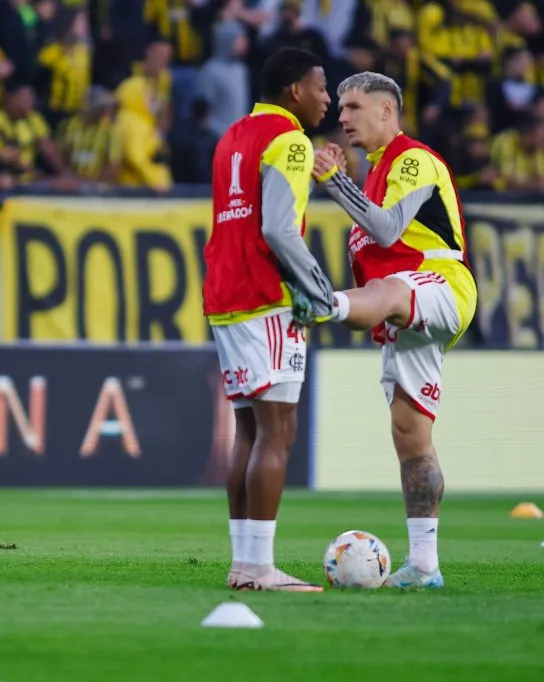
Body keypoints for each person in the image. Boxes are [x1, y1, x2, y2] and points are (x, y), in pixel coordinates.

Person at [307, 71, 477, 590]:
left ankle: (320, 304)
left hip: (442, 281)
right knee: (411, 436)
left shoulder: (413, 159)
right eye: (339, 108)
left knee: (388, 291)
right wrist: (348, 180)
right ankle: (425, 564)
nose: (342, 117)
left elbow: (385, 230)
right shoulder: (377, 172)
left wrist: (335, 183)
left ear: (386, 110)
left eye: (353, 107)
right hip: (405, 311)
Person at [202, 47, 334, 592]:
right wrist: (318, 287)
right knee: (279, 431)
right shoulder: (289, 141)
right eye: (322, 87)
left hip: (225, 295)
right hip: (265, 294)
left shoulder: (233, 136)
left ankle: (243, 563)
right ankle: (260, 568)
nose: (328, 99)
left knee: (249, 432)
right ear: (295, 90)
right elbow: (280, 229)